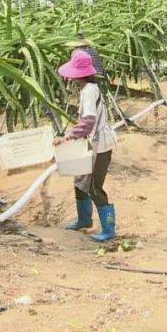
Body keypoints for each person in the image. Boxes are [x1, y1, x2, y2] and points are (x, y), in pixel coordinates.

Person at [55, 49, 119, 241]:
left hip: (100, 146)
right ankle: (84, 219)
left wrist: (68, 137)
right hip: (91, 144)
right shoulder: (88, 89)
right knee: (79, 182)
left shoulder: (89, 92)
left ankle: (109, 230)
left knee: (94, 187)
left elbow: (88, 121)